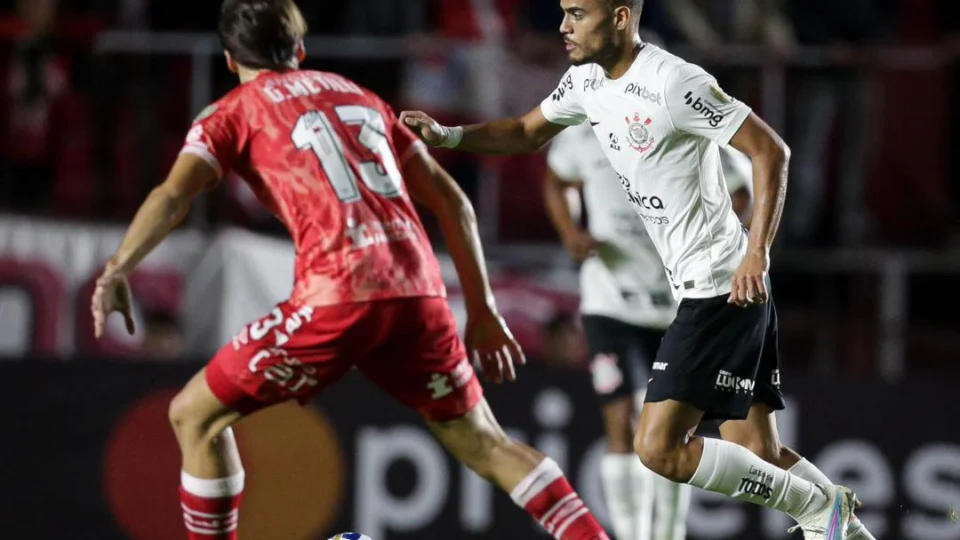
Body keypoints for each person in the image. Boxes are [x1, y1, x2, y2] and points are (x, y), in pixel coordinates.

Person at [90, 2, 610, 540]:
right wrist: (481, 311)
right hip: (419, 291)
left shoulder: (232, 112)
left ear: (228, 59)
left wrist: (118, 267)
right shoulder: (357, 94)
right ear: (300, 51)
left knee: (192, 415)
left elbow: (174, 194)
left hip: (338, 291)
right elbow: (453, 201)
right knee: (487, 443)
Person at [399, 1, 876, 538]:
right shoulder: (584, 83)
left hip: (719, 284)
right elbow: (526, 131)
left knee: (658, 448)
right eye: (562, 12)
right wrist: (449, 136)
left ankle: (817, 512)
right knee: (756, 449)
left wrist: (756, 251)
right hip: (721, 288)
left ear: (621, 17)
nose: (563, 26)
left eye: (578, 13)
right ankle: (845, 527)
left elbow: (771, 152)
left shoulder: (674, 82)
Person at [543, 120, 752, 540]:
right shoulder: (586, 132)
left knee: (672, 432)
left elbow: (743, 187)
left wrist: (715, 241)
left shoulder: (683, 129)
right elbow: (557, 178)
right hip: (610, 302)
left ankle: (668, 534)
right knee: (622, 421)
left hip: (680, 306)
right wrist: (570, 232)